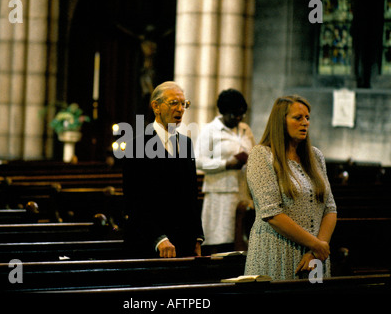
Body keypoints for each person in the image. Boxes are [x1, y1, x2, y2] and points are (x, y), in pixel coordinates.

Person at [244, 95, 337, 280]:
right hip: (277, 252)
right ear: (280, 121)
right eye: (298, 118)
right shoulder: (261, 155)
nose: (305, 123)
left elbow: (330, 208)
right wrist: (316, 244)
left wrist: (317, 249)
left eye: (307, 118)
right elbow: (272, 214)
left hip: (315, 257)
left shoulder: (315, 156)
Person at [122, 81, 204, 258]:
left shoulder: (186, 143)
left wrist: (197, 237)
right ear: (156, 107)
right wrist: (159, 239)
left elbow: (192, 195)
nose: (180, 109)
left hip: (184, 242)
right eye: (174, 103)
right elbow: (134, 202)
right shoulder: (136, 146)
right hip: (150, 244)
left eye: (184, 104)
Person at [195, 89, 255, 254]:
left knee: (242, 241)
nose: (238, 118)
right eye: (234, 114)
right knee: (221, 241)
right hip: (219, 194)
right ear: (223, 112)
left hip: (242, 191)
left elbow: (255, 152)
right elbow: (198, 161)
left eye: (241, 114)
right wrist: (226, 164)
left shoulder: (245, 129)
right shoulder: (210, 130)